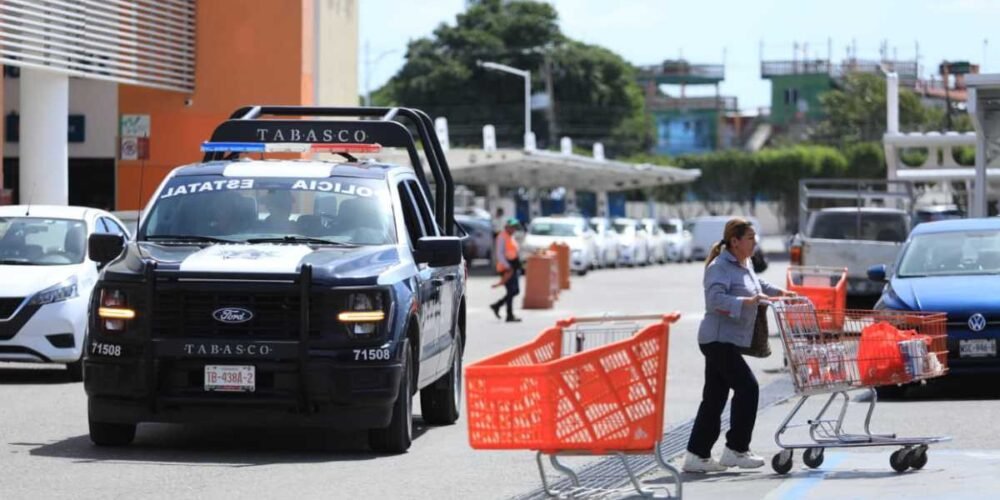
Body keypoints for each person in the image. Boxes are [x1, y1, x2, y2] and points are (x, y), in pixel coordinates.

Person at [683, 217, 795, 473]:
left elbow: (758, 286)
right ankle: (736, 449)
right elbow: (714, 300)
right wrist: (746, 302)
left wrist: (782, 294)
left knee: (714, 398)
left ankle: (696, 454)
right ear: (735, 241)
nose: (755, 242)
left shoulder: (744, 264)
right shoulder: (719, 267)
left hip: (726, 342)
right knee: (748, 387)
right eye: (750, 238)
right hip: (717, 340)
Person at [490, 217, 522, 323]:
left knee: (515, 291)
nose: (513, 229)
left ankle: (497, 305)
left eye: (515, 227)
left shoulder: (511, 237)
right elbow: (499, 253)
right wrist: (507, 266)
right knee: (511, 290)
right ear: (507, 227)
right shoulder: (502, 237)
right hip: (506, 268)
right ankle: (509, 315)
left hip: (513, 266)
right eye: (512, 227)